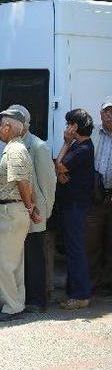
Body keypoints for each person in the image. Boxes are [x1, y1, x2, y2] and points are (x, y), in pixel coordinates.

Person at [0, 108, 40, 322]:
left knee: (1, 261)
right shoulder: (18, 148)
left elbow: (22, 182)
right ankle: (15, 302)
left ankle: (11, 305)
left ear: (8, 127)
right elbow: (27, 182)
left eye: (0, 126)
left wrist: (30, 207)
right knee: (14, 261)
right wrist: (31, 206)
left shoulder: (14, 150)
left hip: (11, 210)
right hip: (14, 209)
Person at [8, 105, 56, 313]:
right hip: (18, 211)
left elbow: (47, 184)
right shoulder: (13, 144)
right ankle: (24, 297)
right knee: (20, 256)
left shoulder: (38, 146)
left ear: (23, 124)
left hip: (35, 212)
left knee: (34, 256)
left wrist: (44, 212)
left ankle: (37, 300)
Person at [55, 108, 95, 310]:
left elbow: (60, 165)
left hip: (76, 206)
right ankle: (73, 291)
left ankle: (81, 294)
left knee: (76, 250)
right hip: (70, 204)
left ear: (74, 127)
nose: (66, 128)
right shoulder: (78, 146)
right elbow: (60, 167)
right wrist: (60, 169)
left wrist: (65, 143)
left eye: (69, 123)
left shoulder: (83, 148)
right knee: (71, 250)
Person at [86, 97, 112, 295]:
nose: (110, 115)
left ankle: (108, 284)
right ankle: (93, 284)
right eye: (107, 111)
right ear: (101, 114)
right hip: (95, 197)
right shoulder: (92, 133)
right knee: (92, 242)